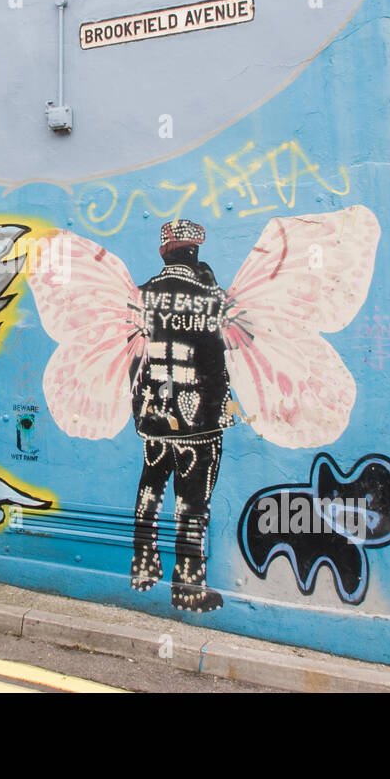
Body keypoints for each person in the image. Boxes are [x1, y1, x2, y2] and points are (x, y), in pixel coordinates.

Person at [128, 219, 234, 612]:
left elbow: (132, 357)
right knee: (192, 502)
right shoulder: (212, 299)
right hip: (200, 422)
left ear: (164, 253)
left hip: (154, 417)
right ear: (195, 251)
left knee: (151, 486)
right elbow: (222, 360)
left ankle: (143, 564)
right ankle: (188, 584)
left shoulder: (142, 296)